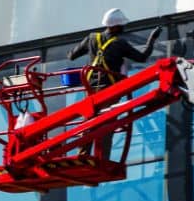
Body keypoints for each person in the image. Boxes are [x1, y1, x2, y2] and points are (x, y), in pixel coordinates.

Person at [67, 8, 162, 160]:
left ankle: (83, 154)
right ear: (117, 26)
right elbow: (143, 57)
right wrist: (152, 38)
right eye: (122, 25)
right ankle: (103, 159)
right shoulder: (120, 43)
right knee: (107, 124)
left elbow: (71, 55)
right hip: (109, 90)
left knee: (89, 121)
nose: (124, 28)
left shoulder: (92, 38)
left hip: (90, 89)